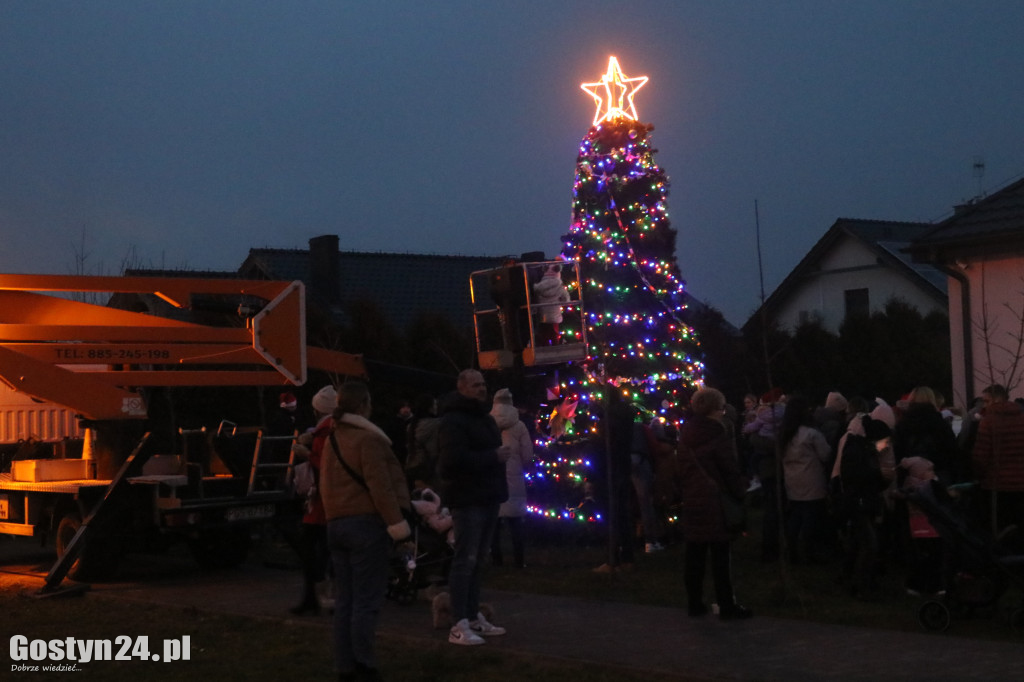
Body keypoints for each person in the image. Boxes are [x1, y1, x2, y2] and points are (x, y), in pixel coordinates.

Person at [320, 381, 412, 681]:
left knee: (345, 601)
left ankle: (344, 665)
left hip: (336, 524)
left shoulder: (333, 439)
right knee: (367, 600)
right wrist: (399, 527)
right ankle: (364, 665)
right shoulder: (369, 440)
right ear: (364, 405)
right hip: (365, 526)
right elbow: (380, 487)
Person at [438, 369, 510, 646]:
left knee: (478, 560)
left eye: (483, 384)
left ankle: (471, 615)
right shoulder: (453, 421)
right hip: (467, 498)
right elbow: (451, 461)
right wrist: (492, 456)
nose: (482, 389)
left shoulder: (484, 418)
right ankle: (459, 623)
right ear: (462, 388)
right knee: (465, 560)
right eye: (475, 385)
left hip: (487, 496)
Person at [677, 387, 752, 620]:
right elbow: (728, 469)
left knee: (695, 554)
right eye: (721, 408)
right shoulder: (717, 434)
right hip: (716, 500)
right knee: (720, 556)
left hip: (693, 499)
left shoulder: (686, 434)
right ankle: (726, 604)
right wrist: (740, 491)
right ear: (714, 409)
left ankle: (694, 603)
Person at [289, 384, 337, 616]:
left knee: (312, 550)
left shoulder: (326, 433)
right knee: (318, 549)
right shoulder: (327, 430)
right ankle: (315, 595)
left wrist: (306, 454)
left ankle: (319, 594)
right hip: (323, 500)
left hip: (322, 501)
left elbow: (326, 464)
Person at [779, 394, 832, 564]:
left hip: (792, 480)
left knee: (795, 515)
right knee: (810, 517)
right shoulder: (811, 434)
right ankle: (808, 551)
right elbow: (825, 454)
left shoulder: (784, 435)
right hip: (811, 479)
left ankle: (792, 549)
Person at [971, 383, 1024, 547]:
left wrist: (977, 475)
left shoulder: (989, 422)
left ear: (996, 400)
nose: (984, 405)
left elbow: (981, 456)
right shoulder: (1022, 419)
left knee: (999, 531)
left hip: (997, 485)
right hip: (1021, 485)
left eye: (986, 401)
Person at [489, 388, 533, 568]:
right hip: (514, 476)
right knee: (516, 521)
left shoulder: (487, 423)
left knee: (493, 522)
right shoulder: (519, 425)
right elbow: (527, 454)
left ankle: (496, 560)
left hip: (492, 475)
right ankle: (519, 560)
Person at [403, 393, 441, 491]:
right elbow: (433, 451)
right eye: (435, 404)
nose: (436, 407)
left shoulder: (411, 426)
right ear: (429, 408)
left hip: (411, 466)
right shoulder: (435, 425)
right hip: (426, 469)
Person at [532, 263, 570, 345]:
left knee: (544, 336)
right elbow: (566, 300)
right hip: (555, 316)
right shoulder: (559, 287)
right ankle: (556, 346)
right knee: (555, 336)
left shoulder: (539, 287)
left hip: (542, 316)